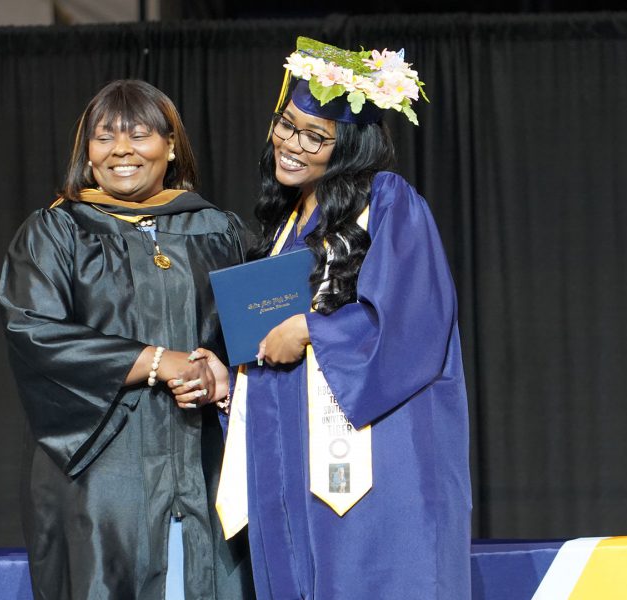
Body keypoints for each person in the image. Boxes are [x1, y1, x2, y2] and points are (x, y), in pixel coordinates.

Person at [176, 38, 472, 599]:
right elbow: (268, 353)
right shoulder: (281, 226)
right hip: (292, 464)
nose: (292, 144)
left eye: (316, 137)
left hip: (376, 462)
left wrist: (313, 329)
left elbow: (415, 321)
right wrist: (230, 379)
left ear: (350, 146)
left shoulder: (387, 201)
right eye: (287, 126)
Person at [0, 79, 252, 600]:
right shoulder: (56, 232)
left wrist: (220, 372)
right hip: (105, 478)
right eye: (104, 137)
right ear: (86, 153)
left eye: (139, 134)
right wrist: (158, 361)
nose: (121, 150)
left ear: (171, 145)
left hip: (207, 469)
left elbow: (259, 333)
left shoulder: (220, 231)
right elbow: (33, 329)